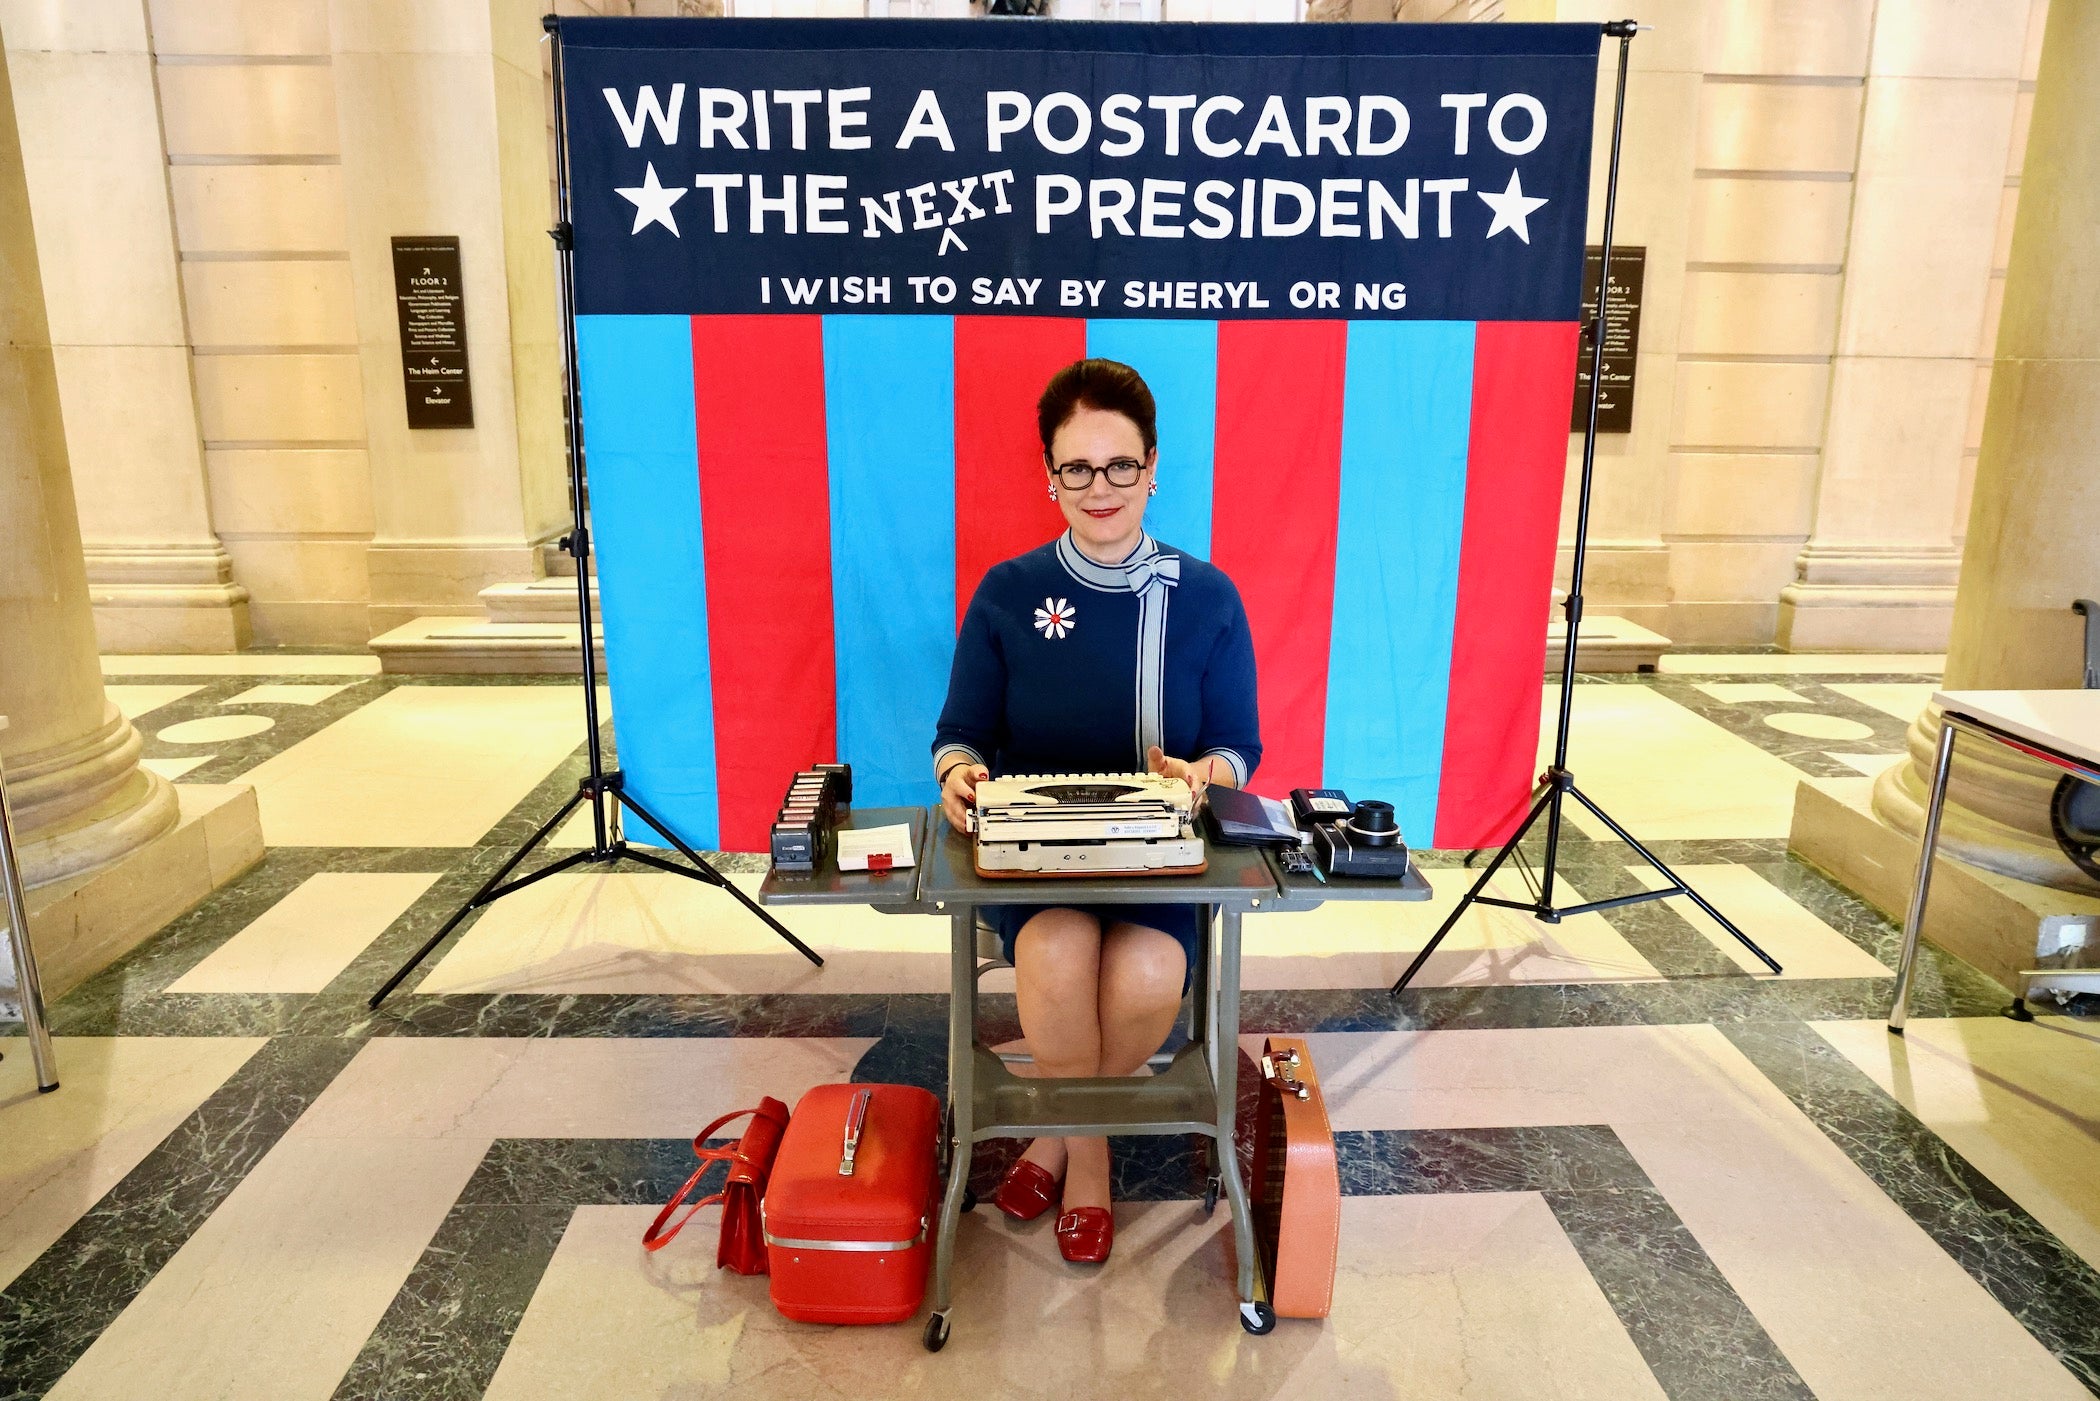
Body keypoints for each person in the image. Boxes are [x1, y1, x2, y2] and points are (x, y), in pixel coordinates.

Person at [931, 357, 1261, 1265]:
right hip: (1039, 854)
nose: (1100, 488)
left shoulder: (1206, 597)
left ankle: (1055, 1133)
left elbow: (1242, 743)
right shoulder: (1008, 591)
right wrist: (958, 772)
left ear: (1154, 466)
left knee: (1150, 976)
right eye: (1077, 468)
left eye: (1121, 465)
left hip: (1160, 852)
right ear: (1050, 475)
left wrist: (1204, 770)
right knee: (1056, 952)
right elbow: (960, 734)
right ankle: (1091, 1163)